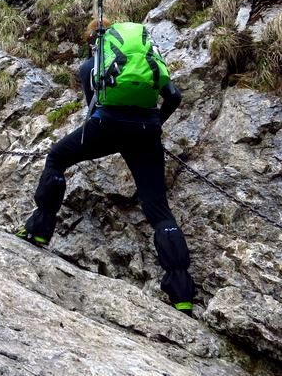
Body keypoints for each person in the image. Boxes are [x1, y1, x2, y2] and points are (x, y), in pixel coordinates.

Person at [16, 20, 197, 315]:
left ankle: (39, 229)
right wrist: (153, 125)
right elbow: (174, 97)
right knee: (158, 209)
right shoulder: (147, 59)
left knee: (57, 158)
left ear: (93, 41)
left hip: (106, 127)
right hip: (146, 133)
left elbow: (93, 107)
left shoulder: (90, 66)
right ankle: (182, 293)